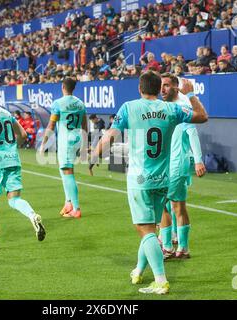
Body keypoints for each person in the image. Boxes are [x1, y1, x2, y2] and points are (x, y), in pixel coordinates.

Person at [88, 71, 208, 295]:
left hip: (140, 180)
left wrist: (94, 156)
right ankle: (139, 269)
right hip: (163, 179)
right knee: (150, 228)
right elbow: (202, 116)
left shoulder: (129, 107)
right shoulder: (172, 109)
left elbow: (110, 136)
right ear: (157, 89)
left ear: (140, 89)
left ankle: (160, 280)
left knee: (145, 230)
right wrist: (191, 94)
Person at [0, 88, 46, 250]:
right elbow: (24, 135)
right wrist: (10, 148)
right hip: (13, 159)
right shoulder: (4, 112)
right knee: (14, 200)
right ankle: (32, 215)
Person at [159, 73, 207, 259]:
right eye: (161, 85)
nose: (162, 89)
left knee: (174, 206)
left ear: (176, 87)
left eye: (166, 85)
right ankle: (175, 244)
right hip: (164, 164)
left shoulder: (183, 106)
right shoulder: (163, 107)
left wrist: (198, 160)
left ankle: (173, 246)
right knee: (167, 205)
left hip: (177, 163)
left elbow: (192, 132)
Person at [39, 77, 88, 218]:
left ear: (62, 87)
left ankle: (76, 209)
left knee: (68, 172)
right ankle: (68, 203)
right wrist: (85, 144)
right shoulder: (80, 103)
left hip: (66, 140)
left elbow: (51, 125)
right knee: (64, 170)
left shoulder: (58, 104)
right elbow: (84, 124)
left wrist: (44, 143)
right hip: (77, 137)